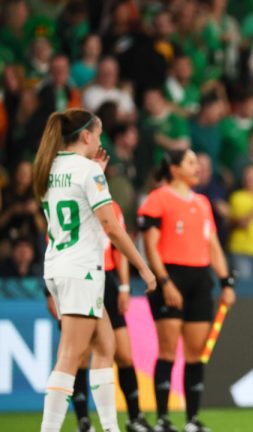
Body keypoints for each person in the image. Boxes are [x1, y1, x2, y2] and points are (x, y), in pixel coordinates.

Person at [32, 108, 156, 432]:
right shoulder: (88, 172)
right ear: (86, 136)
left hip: (59, 266)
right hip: (82, 269)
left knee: (105, 346)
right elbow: (111, 227)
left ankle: (111, 428)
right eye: (99, 134)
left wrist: (94, 171)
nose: (101, 140)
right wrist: (143, 267)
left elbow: (74, 204)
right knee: (70, 356)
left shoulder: (49, 167)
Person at [137, 149, 236, 432]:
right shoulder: (158, 199)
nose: (198, 168)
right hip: (171, 276)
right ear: (175, 168)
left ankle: (192, 420)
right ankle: (162, 419)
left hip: (200, 279)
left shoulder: (203, 203)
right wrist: (165, 282)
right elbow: (150, 247)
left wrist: (226, 281)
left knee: (195, 354)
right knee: (167, 351)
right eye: (191, 163)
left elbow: (213, 246)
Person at [101, 201, 152, 431]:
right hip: (77, 278)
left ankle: (135, 417)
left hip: (106, 281)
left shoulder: (111, 206)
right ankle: (85, 421)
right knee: (78, 356)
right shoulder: (69, 198)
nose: (101, 162)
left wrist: (123, 286)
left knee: (124, 354)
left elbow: (118, 247)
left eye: (103, 160)